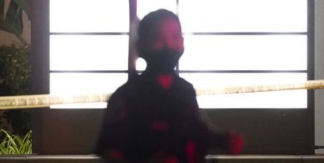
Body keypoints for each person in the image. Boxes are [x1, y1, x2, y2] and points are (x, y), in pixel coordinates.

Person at [96, 9, 243, 163]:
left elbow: (198, 132)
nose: (169, 44)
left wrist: (225, 140)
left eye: (174, 36)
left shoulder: (185, 91)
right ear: (142, 45)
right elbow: (110, 151)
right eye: (159, 38)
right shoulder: (126, 96)